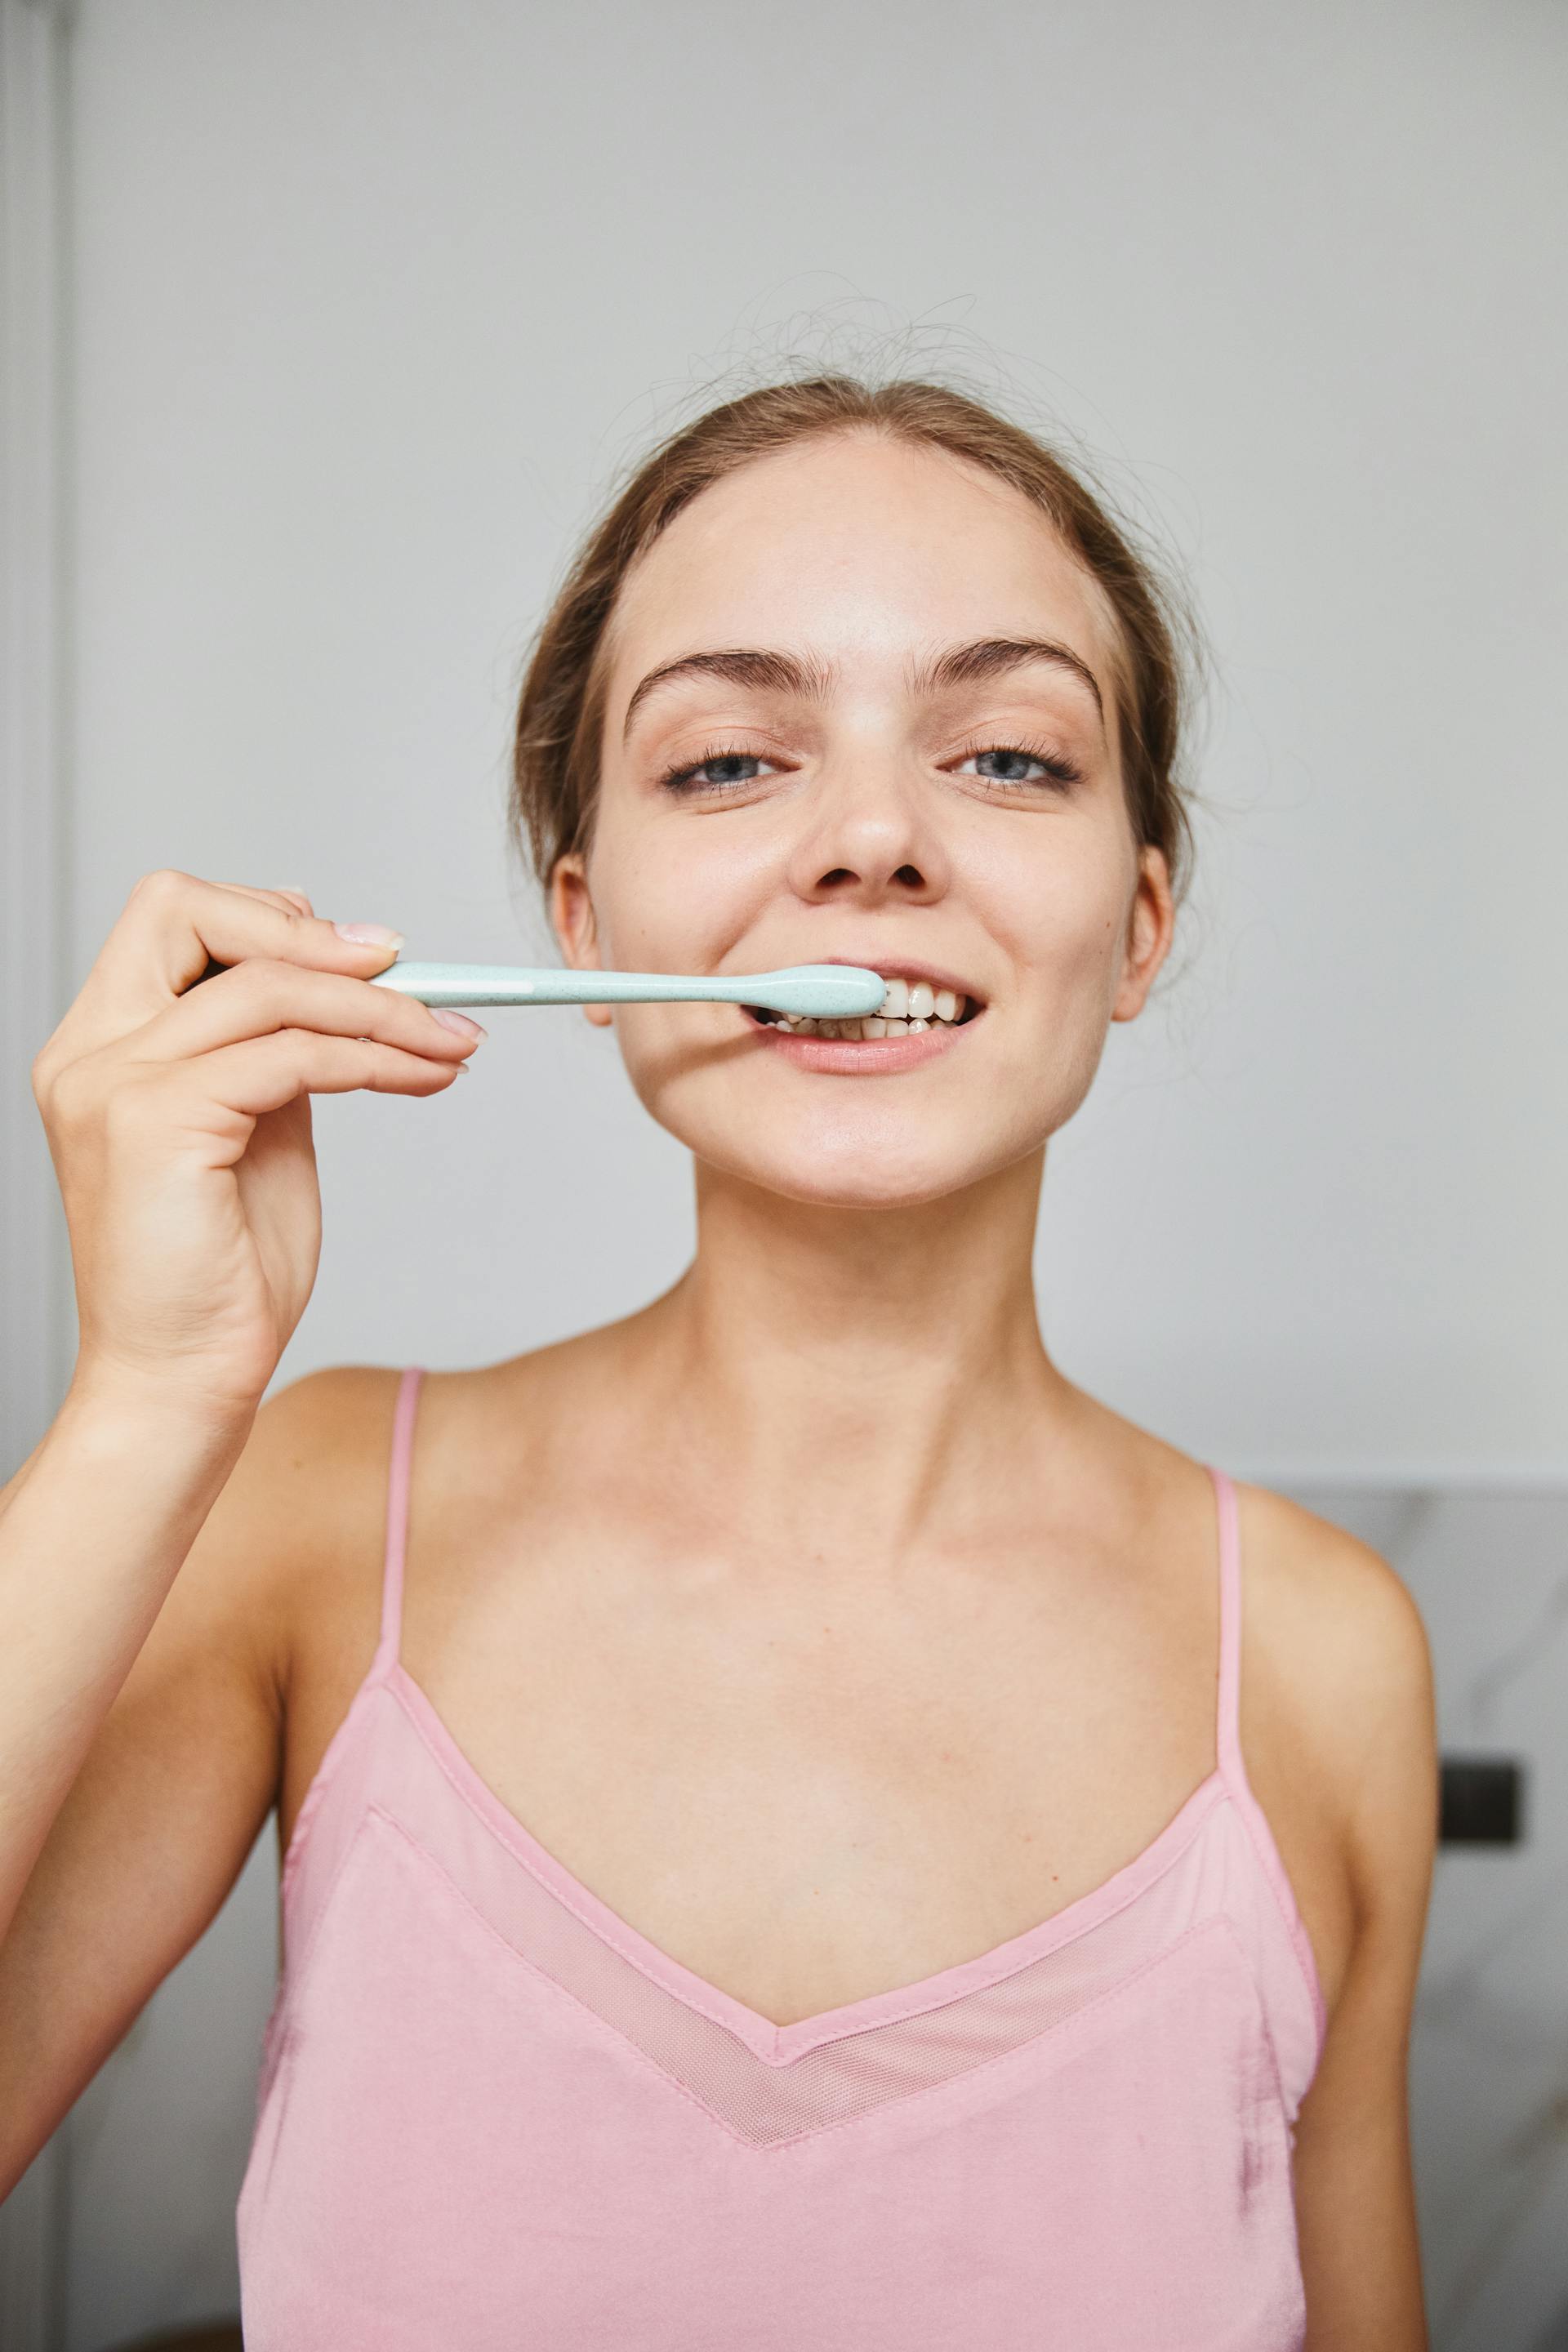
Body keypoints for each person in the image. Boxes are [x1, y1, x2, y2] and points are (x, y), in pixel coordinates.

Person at [1, 375, 1437, 2348]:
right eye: (729, 764)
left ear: (1140, 922)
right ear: (587, 928)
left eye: (1010, 759)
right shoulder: (308, 1521)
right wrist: (152, 1396)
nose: (868, 840)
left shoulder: (1321, 1655)